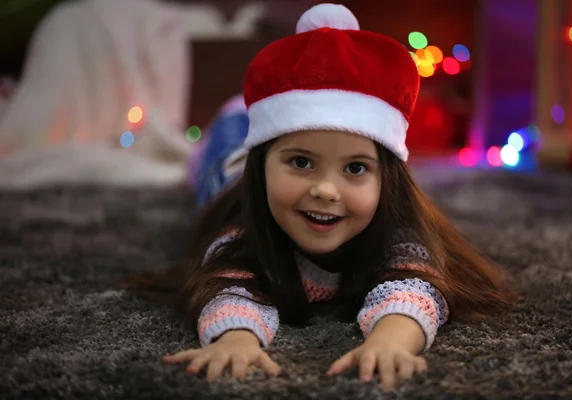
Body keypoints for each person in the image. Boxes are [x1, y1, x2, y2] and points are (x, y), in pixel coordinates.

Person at [127, 3, 517, 392]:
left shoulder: (395, 229)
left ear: (388, 180)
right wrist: (235, 341)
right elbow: (228, 286)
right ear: (261, 168)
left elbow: (414, 287)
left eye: (355, 168)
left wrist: (390, 342)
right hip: (228, 169)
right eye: (301, 162)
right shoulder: (241, 226)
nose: (326, 190)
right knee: (222, 142)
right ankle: (236, 118)